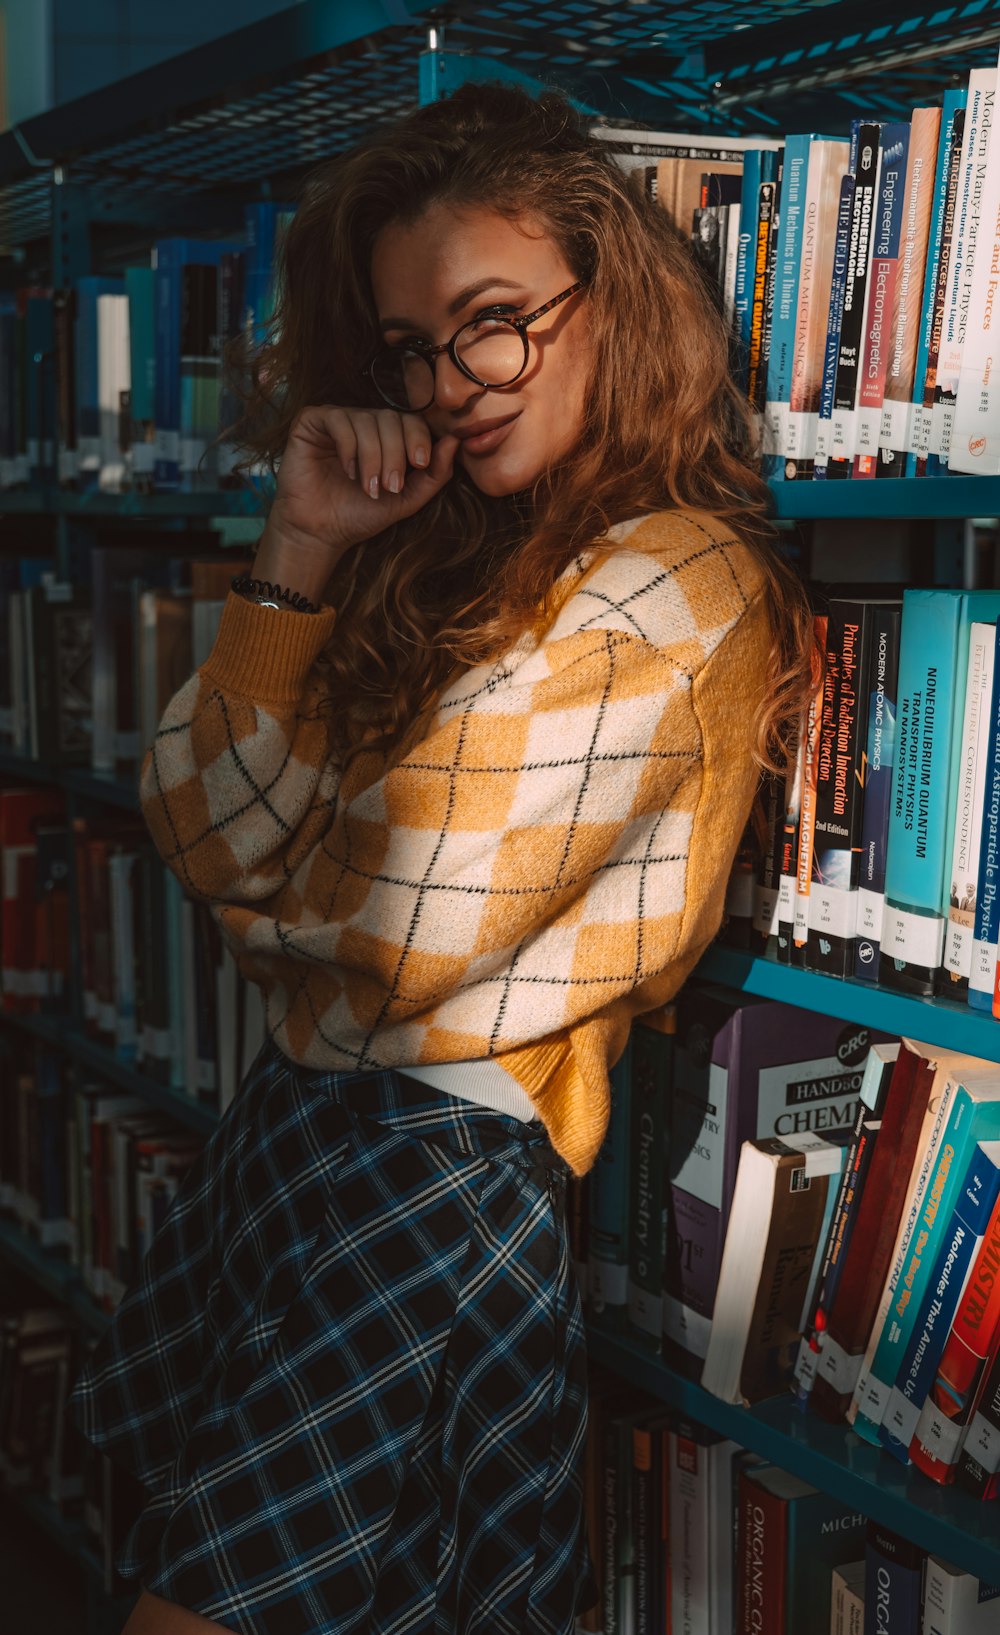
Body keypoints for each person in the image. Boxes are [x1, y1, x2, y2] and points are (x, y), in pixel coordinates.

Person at [69, 82, 813, 1635]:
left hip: (434, 1161)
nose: (453, 385)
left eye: (492, 321)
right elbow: (200, 827)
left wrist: (269, 912)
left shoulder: (673, 585)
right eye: (410, 348)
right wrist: (303, 551)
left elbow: (391, 929)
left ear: (612, 302)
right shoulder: (444, 552)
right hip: (301, 1129)